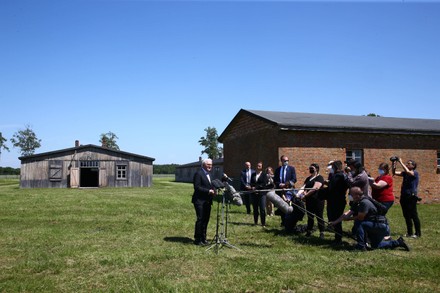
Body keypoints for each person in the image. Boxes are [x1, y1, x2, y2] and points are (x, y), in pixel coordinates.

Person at [330, 187, 410, 252]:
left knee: (359, 222)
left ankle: (361, 246)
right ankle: (398, 242)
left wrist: (348, 219)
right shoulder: (357, 202)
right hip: (375, 225)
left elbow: (360, 217)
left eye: (351, 194)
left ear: (357, 195)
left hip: (380, 226)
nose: (349, 196)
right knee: (375, 246)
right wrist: (335, 222)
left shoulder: (364, 202)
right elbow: (347, 213)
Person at [392, 157, 421, 238]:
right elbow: (394, 172)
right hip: (404, 195)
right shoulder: (405, 173)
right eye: (407, 163)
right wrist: (394, 163)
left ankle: (418, 233)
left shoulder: (415, 173)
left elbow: (408, 172)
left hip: (411, 196)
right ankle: (409, 232)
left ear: (413, 166)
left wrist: (401, 162)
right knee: (406, 215)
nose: (407, 164)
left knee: (413, 214)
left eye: (409, 163)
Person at [296, 163, 325, 239]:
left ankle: (322, 232)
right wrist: (298, 194)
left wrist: (305, 195)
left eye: (312, 168)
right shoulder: (308, 178)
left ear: (317, 169)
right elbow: (304, 187)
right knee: (310, 216)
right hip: (309, 201)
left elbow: (315, 188)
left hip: (318, 200)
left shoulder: (319, 178)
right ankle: (309, 231)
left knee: (319, 216)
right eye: (310, 168)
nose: (310, 170)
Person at [191, 158, 216, 246]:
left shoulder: (210, 174)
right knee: (200, 219)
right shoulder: (198, 173)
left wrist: (215, 190)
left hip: (207, 201)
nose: (210, 166)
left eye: (211, 165)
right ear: (204, 165)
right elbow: (197, 187)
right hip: (199, 201)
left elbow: (211, 186)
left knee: (206, 220)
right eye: (208, 164)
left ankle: (203, 238)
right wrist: (208, 191)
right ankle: (197, 239)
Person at [324, 160, 348, 244]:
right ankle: (337, 237)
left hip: (335, 201)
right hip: (341, 199)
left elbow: (331, 188)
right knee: (337, 219)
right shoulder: (344, 175)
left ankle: (338, 238)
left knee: (336, 220)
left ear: (335, 167)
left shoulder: (337, 176)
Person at [369, 162, 394, 239]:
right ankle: (380, 232)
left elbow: (378, 186)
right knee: (379, 216)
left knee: (380, 216)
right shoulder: (379, 177)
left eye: (382, 169)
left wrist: (370, 180)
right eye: (379, 168)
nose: (380, 170)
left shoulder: (387, 178)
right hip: (378, 200)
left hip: (386, 200)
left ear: (386, 170)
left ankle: (387, 234)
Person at [274, 155, 297, 226]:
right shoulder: (278, 170)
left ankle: (290, 221)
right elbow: (275, 180)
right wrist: (280, 185)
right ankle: (283, 221)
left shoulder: (291, 169)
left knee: (289, 206)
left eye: (287, 160)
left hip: (289, 191)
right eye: (285, 161)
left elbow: (294, 179)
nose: (286, 162)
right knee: (282, 207)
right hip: (280, 191)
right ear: (281, 161)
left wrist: (287, 185)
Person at [252, 162, 271, 227]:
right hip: (254, 194)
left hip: (262, 194)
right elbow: (252, 182)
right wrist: (252, 187)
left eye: (259, 166)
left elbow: (264, 184)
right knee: (255, 209)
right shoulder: (253, 174)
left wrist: (256, 187)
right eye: (257, 166)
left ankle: (263, 223)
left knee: (262, 209)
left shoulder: (264, 175)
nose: (258, 167)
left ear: (261, 167)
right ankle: (255, 222)